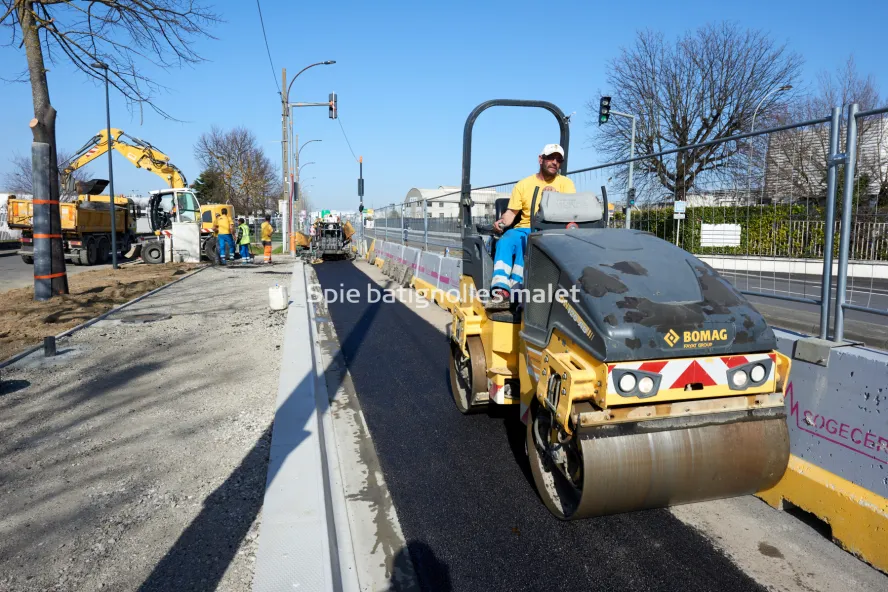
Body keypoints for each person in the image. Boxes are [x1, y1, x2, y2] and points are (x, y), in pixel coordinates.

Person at [491, 144, 576, 298]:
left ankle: (519, 287)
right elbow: (511, 213)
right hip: (525, 228)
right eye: (550, 158)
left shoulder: (566, 184)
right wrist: (501, 222)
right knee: (507, 240)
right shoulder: (523, 185)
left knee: (532, 243)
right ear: (540, 159)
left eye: (558, 160)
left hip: (553, 230)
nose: (555, 162)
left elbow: (571, 212)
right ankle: (501, 286)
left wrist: (555, 199)